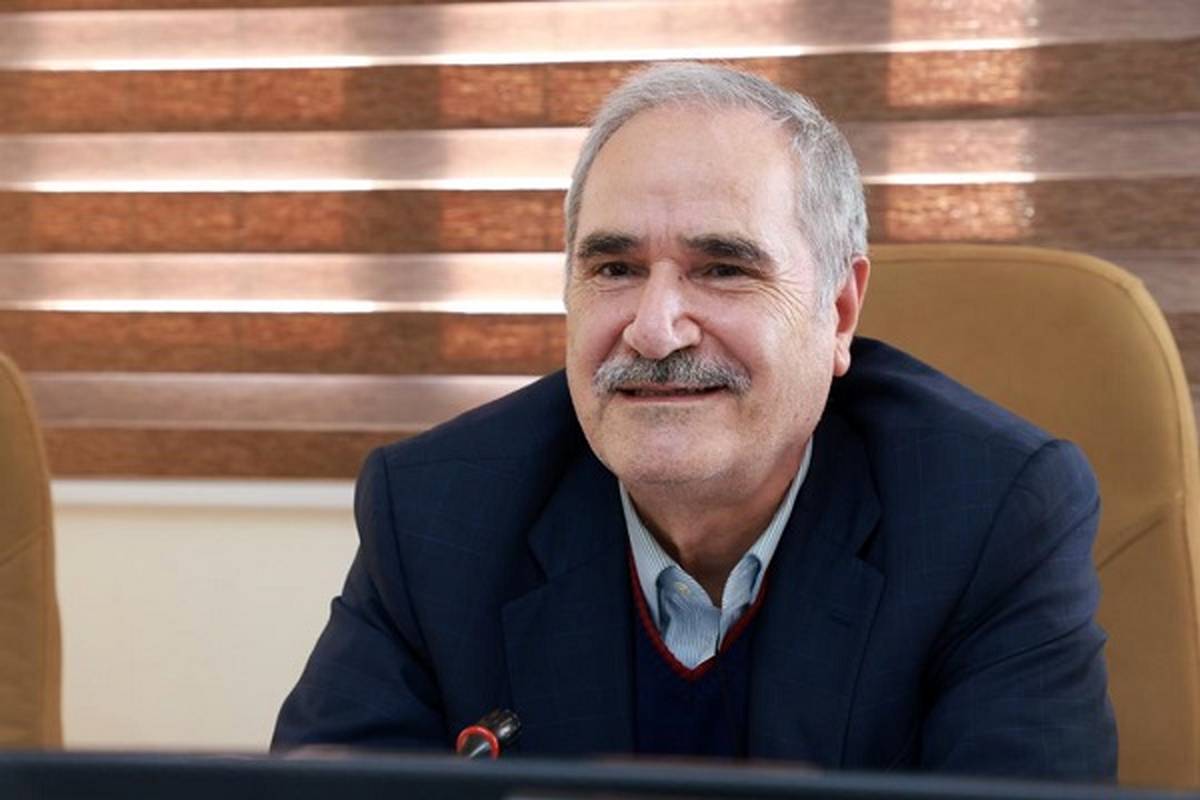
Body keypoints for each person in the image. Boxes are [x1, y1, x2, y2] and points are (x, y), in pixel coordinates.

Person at [273, 62, 1117, 779]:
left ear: (839, 311)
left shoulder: (989, 515)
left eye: (721, 268)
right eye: (615, 268)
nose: (654, 329)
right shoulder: (436, 513)